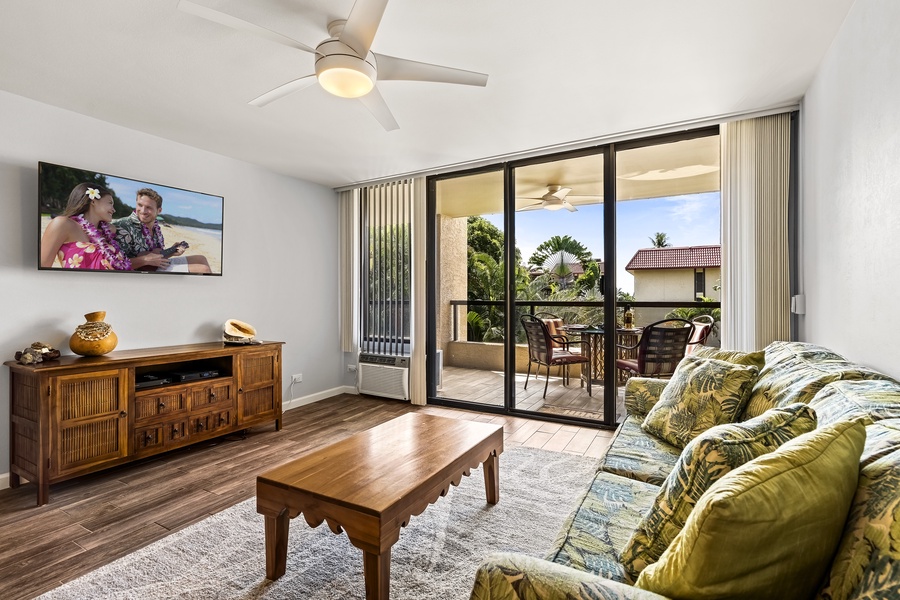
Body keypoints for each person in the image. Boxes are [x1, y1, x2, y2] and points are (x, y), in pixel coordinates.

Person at [113, 188, 211, 273]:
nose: (143, 211)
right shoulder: (123, 226)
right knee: (203, 268)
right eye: (140, 205)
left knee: (201, 259)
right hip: (139, 272)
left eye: (148, 207)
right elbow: (115, 264)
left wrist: (172, 252)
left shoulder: (156, 228)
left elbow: (156, 257)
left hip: (155, 267)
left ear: (159, 210)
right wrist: (145, 260)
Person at [40, 183, 132, 270]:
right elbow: (42, 266)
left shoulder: (109, 231)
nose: (114, 210)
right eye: (110, 203)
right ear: (93, 201)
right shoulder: (63, 224)